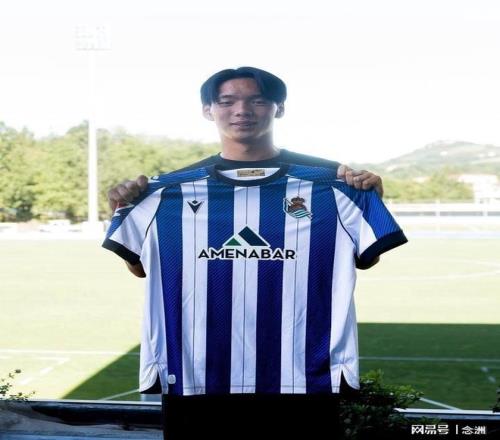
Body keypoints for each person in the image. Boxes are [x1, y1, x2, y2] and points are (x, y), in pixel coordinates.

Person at [103, 67, 407, 439]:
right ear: (208, 110)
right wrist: (124, 208)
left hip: (304, 376)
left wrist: (369, 199)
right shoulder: (166, 191)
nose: (241, 110)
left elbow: (365, 258)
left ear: (279, 108)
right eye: (227, 101)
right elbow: (140, 267)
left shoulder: (335, 182)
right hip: (196, 375)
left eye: (257, 100)